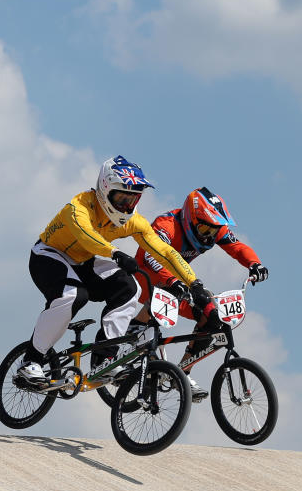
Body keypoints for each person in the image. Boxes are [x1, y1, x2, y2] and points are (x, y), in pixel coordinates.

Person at [17, 155, 216, 390]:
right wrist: (115, 253)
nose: (126, 206)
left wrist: (194, 284)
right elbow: (86, 236)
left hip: (84, 262)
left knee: (131, 287)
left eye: (133, 199)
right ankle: (31, 361)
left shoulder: (133, 221)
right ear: (105, 190)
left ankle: (104, 358)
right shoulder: (78, 207)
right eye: (121, 198)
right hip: (48, 255)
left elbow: (166, 252)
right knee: (73, 296)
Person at [133, 187, 268, 401]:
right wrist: (173, 281)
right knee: (169, 291)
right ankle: (137, 327)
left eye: (214, 231)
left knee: (212, 316)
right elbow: (151, 257)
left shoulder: (214, 227)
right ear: (190, 220)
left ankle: (182, 372)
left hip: (178, 282)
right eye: (206, 230)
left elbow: (237, 247)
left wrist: (255, 264)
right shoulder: (166, 226)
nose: (210, 236)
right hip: (145, 279)